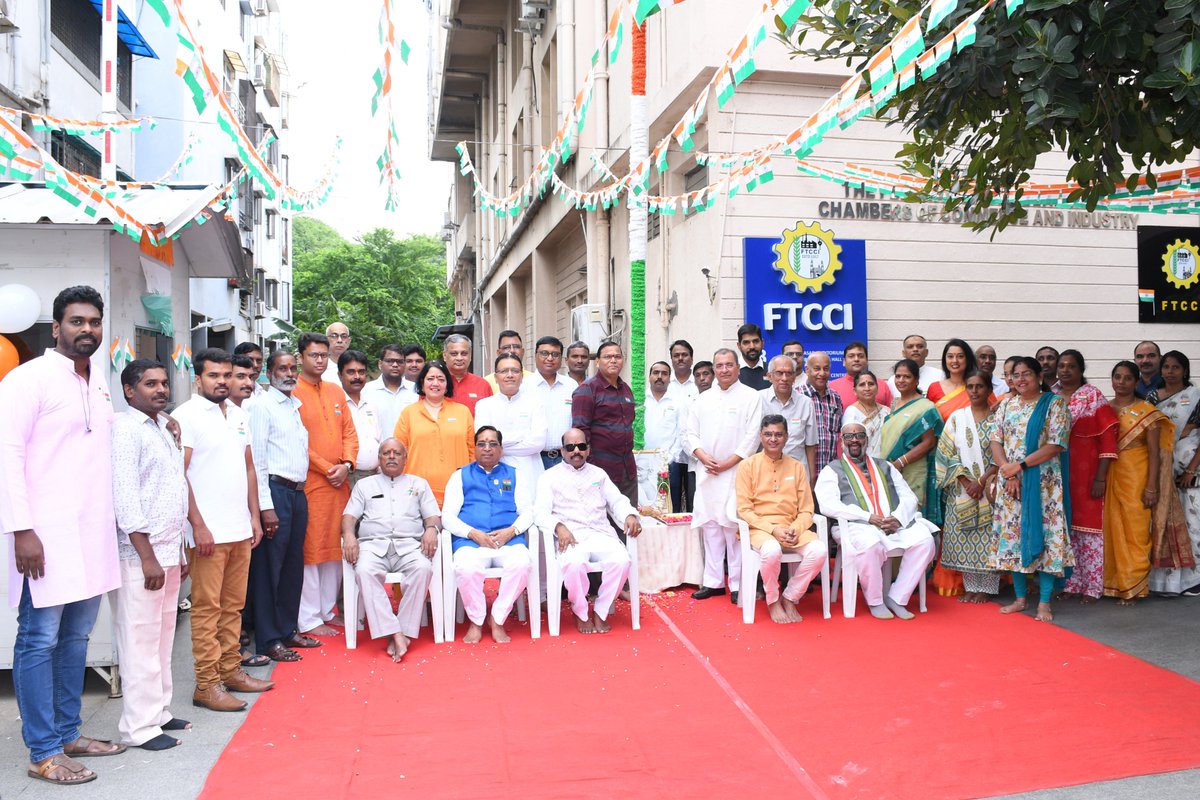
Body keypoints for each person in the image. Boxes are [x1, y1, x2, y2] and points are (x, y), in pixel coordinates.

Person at [0, 286, 125, 783]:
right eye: (76, 322)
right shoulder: (26, 380)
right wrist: (21, 530)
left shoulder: (98, 381)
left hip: (92, 534)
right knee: (39, 639)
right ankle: (44, 751)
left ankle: (70, 732)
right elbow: (6, 455)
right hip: (45, 536)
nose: (87, 330)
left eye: (93, 322)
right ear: (56, 328)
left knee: (76, 638)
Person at [173, 348, 273, 713]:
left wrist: (254, 516)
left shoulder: (238, 414)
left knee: (233, 607)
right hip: (207, 534)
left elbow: (248, 468)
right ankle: (207, 683)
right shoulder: (186, 416)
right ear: (198, 378)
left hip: (238, 529)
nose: (223, 381)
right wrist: (196, 525)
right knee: (206, 609)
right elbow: (178, 474)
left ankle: (231, 671)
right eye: (214, 375)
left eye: (228, 375)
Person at [111, 359, 189, 750]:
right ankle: (138, 729)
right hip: (140, 555)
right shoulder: (125, 430)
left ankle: (159, 712)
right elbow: (125, 499)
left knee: (163, 636)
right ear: (129, 390)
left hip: (168, 549)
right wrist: (146, 556)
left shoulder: (161, 427)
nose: (160, 390)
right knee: (139, 640)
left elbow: (171, 489)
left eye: (163, 383)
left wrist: (179, 547)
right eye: (149, 384)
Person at [815, 422, 938, 619]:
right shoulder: (832, 470)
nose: (854, 440)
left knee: (925, 541)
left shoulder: (885, 466)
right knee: (870, 544)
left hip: (893, 524)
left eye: (859, 435)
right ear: (842, 441)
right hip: (856, 525)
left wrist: (897, 518)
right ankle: (875, 600)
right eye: (849, 436)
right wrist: (868, 517)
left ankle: (897, 597)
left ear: (867, 439)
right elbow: (827, 505)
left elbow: (909, 497)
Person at [988, 356, 1071, 623]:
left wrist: (1019, 466)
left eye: (1026, 374)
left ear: (1039, 377)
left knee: (1047, 538)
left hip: (1044, 485)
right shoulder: (1007, 405)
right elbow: (995, 440)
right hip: (1010, 483)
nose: (1020, 379)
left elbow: (1056, 444)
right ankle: (1021, 598)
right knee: (1014, 538)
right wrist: (1007, 470)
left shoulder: (1054, 404)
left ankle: (1044, 602)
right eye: (1015, 374)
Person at [341, 439, 440, 662]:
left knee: (423, 568)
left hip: (409, 546)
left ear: (405, 458)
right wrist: (348, 534)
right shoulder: (364, 485)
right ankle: (395, 632)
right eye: (387, 453)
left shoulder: (419, 484)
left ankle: (401, 631)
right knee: (364, 572)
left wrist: (431, 528)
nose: (392, 457)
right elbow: (349, 516)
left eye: (397, 453)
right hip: (373, 546)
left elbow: (432, 515)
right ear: (379, 458)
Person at [535, 428, 642, 633]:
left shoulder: (598, 474)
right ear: (562, 451)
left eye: (581, 446)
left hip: (600, 533)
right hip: (571, 536)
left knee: (622, 561)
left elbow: (617, 501)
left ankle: (601, 611)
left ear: (588, 449)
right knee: (574, 564)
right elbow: (539, 512)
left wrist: (629, 515)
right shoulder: (548, 477)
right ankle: (580, 611)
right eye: (571, 447)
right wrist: (558, 527)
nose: (577, 451)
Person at [1107, 361, 1192, 601]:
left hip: (1137, 478)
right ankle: (1112, 583)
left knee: (1136, 532)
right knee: (1110, 530)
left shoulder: (1147, 412)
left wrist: (1152, 486)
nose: (1121, 383)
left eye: (1127, 378)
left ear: (1136, 383)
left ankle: (1134, 585)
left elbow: (1156, 453)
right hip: (1108, 477)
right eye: (1117, 377)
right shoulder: (1104, 409)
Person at [293, 333, 359, 638]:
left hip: (339, 483)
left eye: (323, 355)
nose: (319, 360)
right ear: (300, 358)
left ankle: (327, 610)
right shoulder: (292, 392)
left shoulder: (335, 391)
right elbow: (295, 440)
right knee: (312, 550)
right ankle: (308, 618)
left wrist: (346, 465)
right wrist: (326, 467)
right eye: (313, 355)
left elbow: (349, 432)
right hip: (311, 483)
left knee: (335, 548)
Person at [246, 350, 310, 664]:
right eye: (281, 368)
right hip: (275, 492)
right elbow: (256, 459)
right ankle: (268, 639)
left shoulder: (294, 406)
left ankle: (287, 629)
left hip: (297, 493)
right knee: (269, 568)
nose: (289, 373)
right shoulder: (261, 406)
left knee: (292, 566)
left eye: (292, 368)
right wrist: (265, 506)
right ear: (269, 373)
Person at [442, 426, 534, 643]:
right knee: (466, 568)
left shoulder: (515, 475)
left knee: (522, 564)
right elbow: (447, 516)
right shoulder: (460, 476)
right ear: (474, 448)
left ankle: (498, 618)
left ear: (501, 449)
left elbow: (528, 511)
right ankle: (476, 620)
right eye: (482, 443)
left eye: (493, 444)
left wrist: (512, 531)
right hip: (471, 541)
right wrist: (473, 534)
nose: (487, 448)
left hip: (508, 541)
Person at [686, 349, 763, 603]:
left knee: (733, 528)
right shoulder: (702, 399)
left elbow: (752, 437)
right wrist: (702, 456)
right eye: (719, 366)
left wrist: (728, 463)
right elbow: (689, 433)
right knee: (711, 527)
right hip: (707, 472)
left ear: (738, 368)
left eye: (729, 365)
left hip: (736, 472)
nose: (724, 370)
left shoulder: (751, 397)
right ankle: (714, 582)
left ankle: (739, 584)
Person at [736, 415, 827, 623]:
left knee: (819, 550)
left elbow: (806, 509)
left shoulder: (796, 467)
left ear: (786, 437)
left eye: (778, 434)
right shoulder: (747, 466)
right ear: (760, 436)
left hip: (792, 528)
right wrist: (773, 529)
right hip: (761, 529)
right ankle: (773, 600)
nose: (773, 439)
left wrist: (794, 529)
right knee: (771, 550)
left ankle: (790, 596)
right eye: (768, 434)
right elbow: (745, 510)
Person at [1055, 350, 1118, 602]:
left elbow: (1108, 437)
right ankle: (1070, 584)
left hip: (1087, 471)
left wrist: (1101, 477)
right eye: (1062, 365)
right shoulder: (1051, 396)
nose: (1065, 370)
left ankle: (1092, 587)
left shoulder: (1092, 395)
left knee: (1089, 529)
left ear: (1081, 370)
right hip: (1057, 472)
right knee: (1065, 528)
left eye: (1071, 366)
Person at [934, 371, 1000, 603]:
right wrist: (966, 481)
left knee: (987, 538)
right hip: (960, 488)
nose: (974, 391)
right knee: (965, 538)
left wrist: (981, 482)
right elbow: (945, 452)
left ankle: (987, 588)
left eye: (979, 387)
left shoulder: (997, 419)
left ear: (989, 390)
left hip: (990, 488)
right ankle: (970, 585)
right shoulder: (957, 418)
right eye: (970, 387)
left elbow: (1004, 455)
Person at [394, 360, 475, 504]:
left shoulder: (463, 412)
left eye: (441, 379)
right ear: (422, 383)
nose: (435, 383)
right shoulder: (409, 413)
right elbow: (399, 451)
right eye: (430, 379)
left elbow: (472, 452)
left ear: (447, 384)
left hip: (457, 491)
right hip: (416, 491)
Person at [879, 358, 943, 528]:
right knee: (891, 515)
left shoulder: (926, 407)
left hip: (912, 469)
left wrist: (901, 462)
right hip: (889, 469)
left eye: (906, 377)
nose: (901, 380)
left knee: (911, 516)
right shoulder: (893, 405)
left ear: (916, 380)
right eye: (898, 376)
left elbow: (929, 443)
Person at [571, 340, 637, 504]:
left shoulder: (626, 389)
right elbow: (580, 433)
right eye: (608, 357)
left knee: (629, 521)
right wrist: (589, 469)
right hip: (600, 470)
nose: (613, 360)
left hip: (627, 470)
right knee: (602, 524)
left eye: (617, 356)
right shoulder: (587, 390)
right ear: (597, 361)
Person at [474, 352, 547, 491]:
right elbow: (485, 442)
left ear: (522, 376)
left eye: (515, 371)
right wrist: (523, 436)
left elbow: (538, 443)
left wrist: (499, 446)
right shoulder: (484, 405)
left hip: (529, 471)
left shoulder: (535, 404)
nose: (510, 375)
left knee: (529, 509)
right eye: (504, 371)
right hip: (496, 469)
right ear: (496, 377)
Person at [759, 354, 817, 478]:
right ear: (770, 376)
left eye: (789, 373)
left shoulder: (806, 403)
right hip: (765, 473)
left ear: (794, 377)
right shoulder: (758, 400)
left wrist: (812, 477)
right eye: (779, 373)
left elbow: (810, 444)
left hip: (797, 472)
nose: (784, 378)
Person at [527, 336, 578, 470]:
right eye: (544, 353)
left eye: (555, 354)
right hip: (534, 459)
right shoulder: (524, 386)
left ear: (561, 358)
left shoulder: (571, 385)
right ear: (535, 356)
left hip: (566, 459)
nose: (550, 358)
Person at [644, 362, 685, 506]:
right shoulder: (639, 400)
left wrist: (670, 458)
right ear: (649, 376)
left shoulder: (677, 402)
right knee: (645, 505)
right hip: (642, 463)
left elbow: (681, 433)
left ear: (669, 377)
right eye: (655, 373)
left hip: (667, 464)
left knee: (668, 506)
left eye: (664, 373)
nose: (659, 377)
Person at [338, 350, 382, 485]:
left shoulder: (371, 404)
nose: (357, 376)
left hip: (374, 476)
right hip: (347, 478)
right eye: (351, 372)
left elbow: (378, 438)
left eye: (361, 372)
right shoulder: (336, 404)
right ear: (340, 375)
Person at [801, 352, 844, 482]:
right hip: (804, 472)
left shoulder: (835, 397)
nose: (821, 373)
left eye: (826, 369)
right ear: (807, 370)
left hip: (830, 473)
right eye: (817, 369)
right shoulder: (797, 396)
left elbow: (838, 433)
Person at [666, 340, 698, 511]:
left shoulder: (701, 382)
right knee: (673, 505)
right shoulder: (666, 385)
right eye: (676, 355)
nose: (680, 358)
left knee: (695, 503)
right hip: (673, 455)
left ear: (691, 358)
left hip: (696, 454)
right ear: (671, 359)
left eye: (684, 355)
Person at [364, 344, 417, 437]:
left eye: (399, 361)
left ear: (404, 365)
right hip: (378, 450)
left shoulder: (416, 390)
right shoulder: (366, 391)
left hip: (410, 449)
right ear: (380, 364)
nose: (395, 365)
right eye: (390, 361)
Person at [927, 339, 985, 421]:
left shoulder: (978, 386)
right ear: (945, 360)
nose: (955, 361)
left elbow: (992, 411)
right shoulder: (934, 388)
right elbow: (929, 420)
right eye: (950, 356)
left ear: (967, 359)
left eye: (960, 356)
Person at [830, 341, 893, 409]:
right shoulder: (832, 388)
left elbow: (893, 414)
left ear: (867, 361)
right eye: (851, 356)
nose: (856, 359)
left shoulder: (881, 385)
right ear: (844, 362)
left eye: (861, 356)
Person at [841, 371, 889, 458]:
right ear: (855, 391)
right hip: (860, 464)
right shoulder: (852, 412)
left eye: (871, 384)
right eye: (862, 385)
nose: (867, 388)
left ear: (877, 388)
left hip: (884, 463)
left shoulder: (886, 411)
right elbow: (848, 442)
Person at [443, 333, 492, 414]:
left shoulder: (483, 385)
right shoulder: (435, 385)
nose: (459, 358)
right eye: (454, 354)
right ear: (445, 356)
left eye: (464, 353)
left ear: (470, 356)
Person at [736, 323, 770, 389]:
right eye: (746, 342)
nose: (752, 347)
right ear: (739, 346)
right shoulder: (730, 372)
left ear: (762, 343)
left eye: (756, 341)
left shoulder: (771, 371)